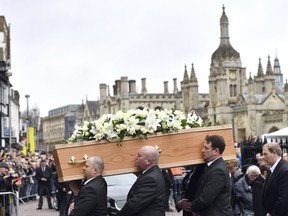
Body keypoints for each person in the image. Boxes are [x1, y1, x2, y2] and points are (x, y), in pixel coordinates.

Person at [190, 135, 233, 216]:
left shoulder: (218, 170)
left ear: (216, 151)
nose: (202, 150)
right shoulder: (212, 166)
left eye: (206, 148)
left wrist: (192, 206)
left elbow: (205, 198)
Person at [118, 145, 166, 216]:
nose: (136, 157)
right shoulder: (152, 173)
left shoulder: (151, 179)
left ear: (148, 161)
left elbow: (134, 205)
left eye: (139, 156)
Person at [261, 142, 288, 215]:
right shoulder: (271, 169)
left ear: (274, 153)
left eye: (265, 154)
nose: (262, 157)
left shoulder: (284, 170)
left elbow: (283, 200)